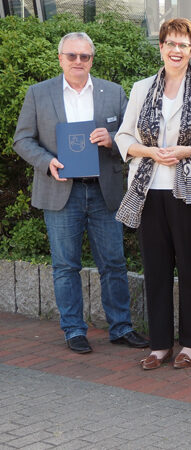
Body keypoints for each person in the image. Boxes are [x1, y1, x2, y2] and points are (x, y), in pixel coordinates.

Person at [13, 32, 148, 354]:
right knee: (65, 265)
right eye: (72, 55)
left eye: (84, 56)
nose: (78, 61)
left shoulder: (113, 92)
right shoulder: (38, 94)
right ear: (60, 58)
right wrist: (47, 162)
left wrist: (113, 138)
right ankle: (74, 330)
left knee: (114, 263)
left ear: (92, 59)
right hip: (61, 191)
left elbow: (135, 134)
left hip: (104, 192)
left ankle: (121, 327)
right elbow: (22, 140)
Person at [115, 18, 191, 370]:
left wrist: (189, 151)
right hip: (149, 189)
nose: (176, 49)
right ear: (161, 47)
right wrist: (149, 152)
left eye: (183, 45)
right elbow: (123, 137)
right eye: (170, 43)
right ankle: (160, 345)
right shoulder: (141, 88)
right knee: (155, 267)